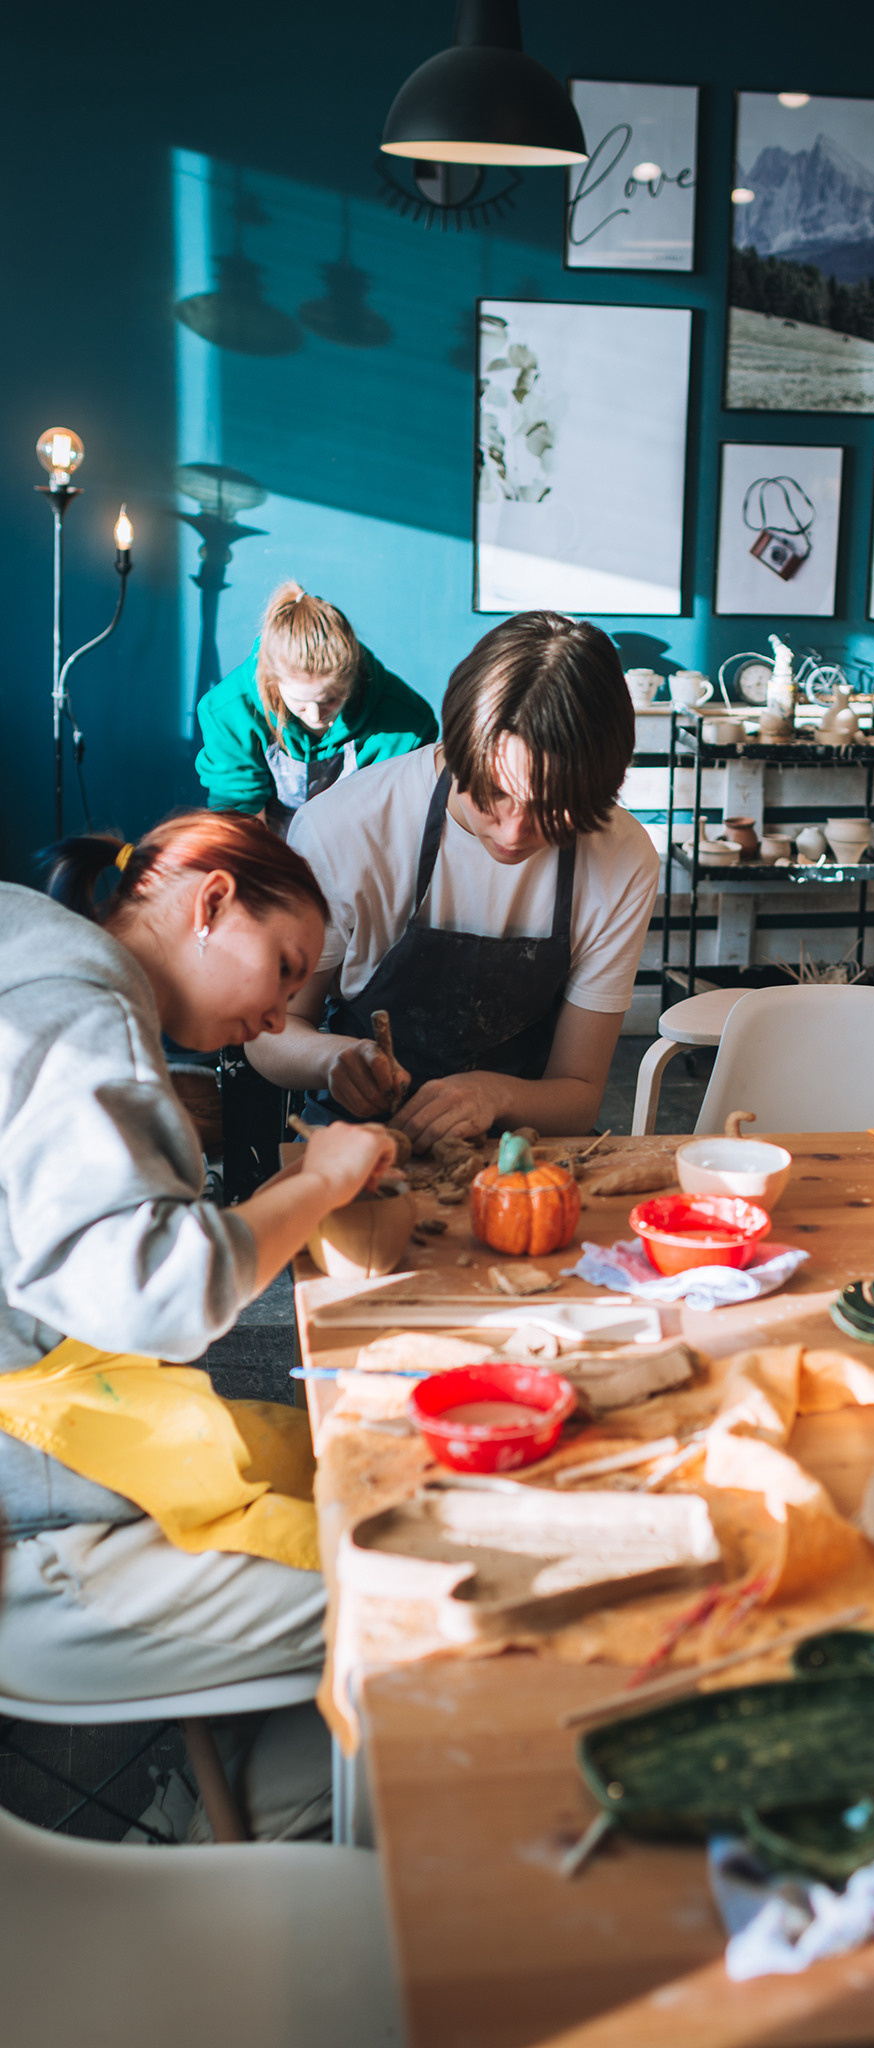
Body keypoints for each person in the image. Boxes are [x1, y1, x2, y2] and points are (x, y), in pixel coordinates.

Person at [0, 814, 394, 1831]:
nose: (276, 1016)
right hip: (38, 1546)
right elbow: (161, 1292)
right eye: (283, 966)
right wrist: (319, 1181)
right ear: (210, 901)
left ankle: (213, 1819)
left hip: (55, 1459)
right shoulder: (77, 1007)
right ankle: (247, 1866)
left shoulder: (35, 942)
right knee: (411, 1602)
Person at [248, 611, 658, 1149]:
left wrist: (495, 1096)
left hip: (519, 1149)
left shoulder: (622, 857)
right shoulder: (345, 828)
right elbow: (269, 1034)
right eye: (494, 793)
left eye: (553, 809)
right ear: (458, 744)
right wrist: (332, 1059)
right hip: (353, 1145)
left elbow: (578, 1091)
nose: (513, 832)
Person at [195, 581, 437, 831]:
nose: (316, 716)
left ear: (353, 678)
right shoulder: (228, 711)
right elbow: (239, 812)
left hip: (360, 841)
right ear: (272, 681)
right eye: (300, 703)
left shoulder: (406, 721)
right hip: (270, 839)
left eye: (331, 699)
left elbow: (396, 820)